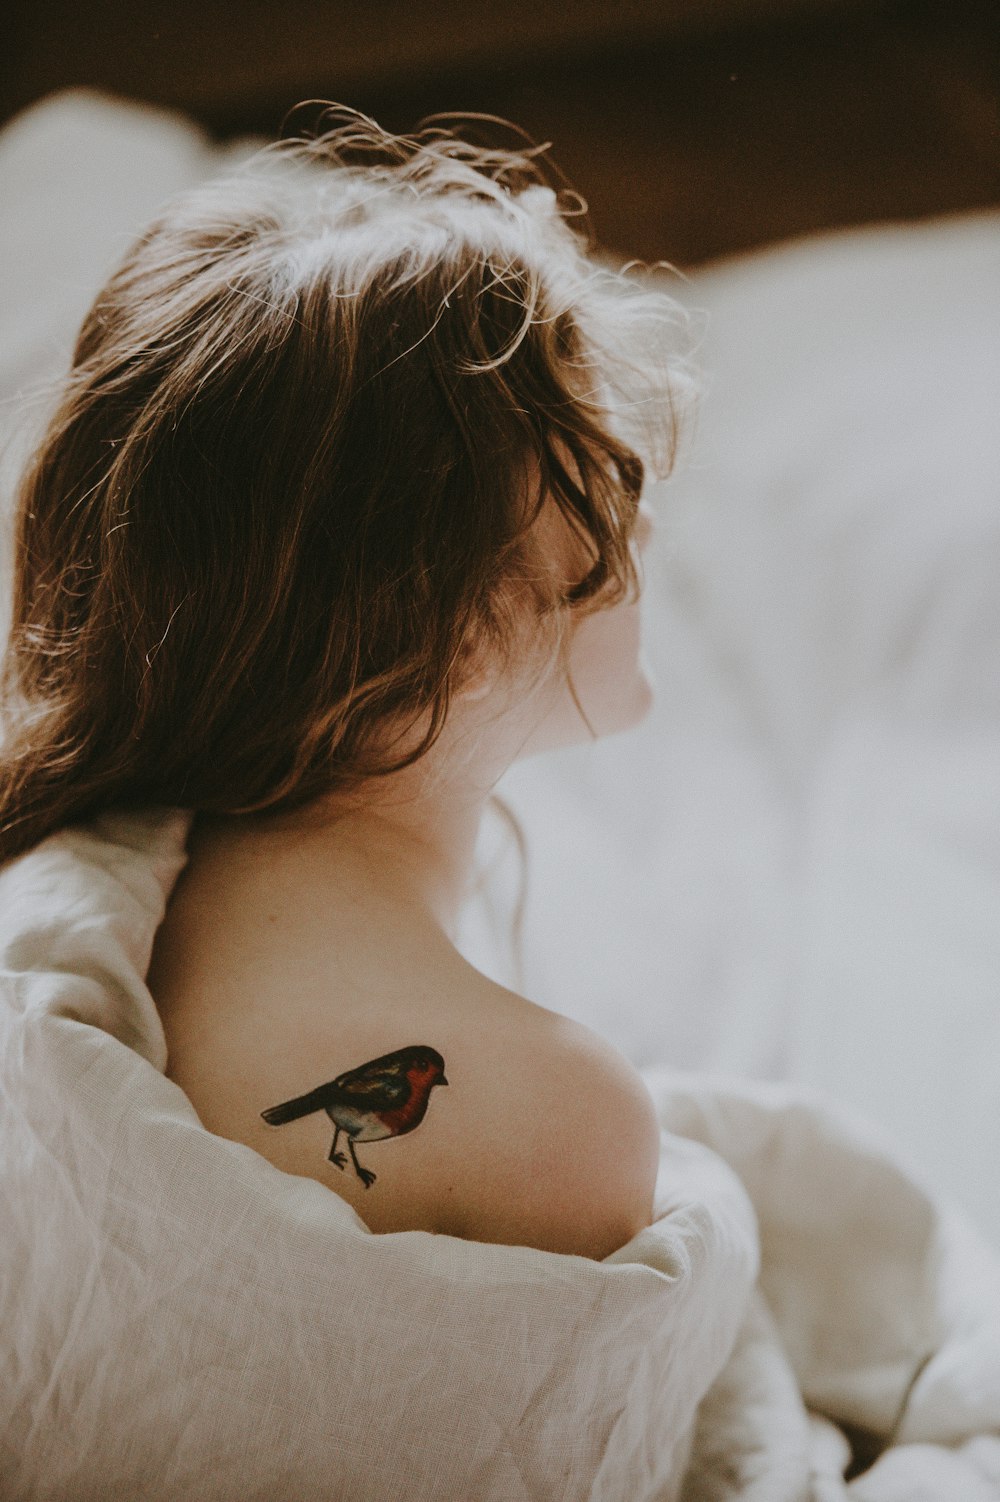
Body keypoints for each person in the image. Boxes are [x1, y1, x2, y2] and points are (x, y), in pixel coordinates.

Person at [0, 107, 693, 1261]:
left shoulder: (140, 924)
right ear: (421, 628)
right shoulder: (559, 1120)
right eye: (602, 489)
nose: (647, 525)